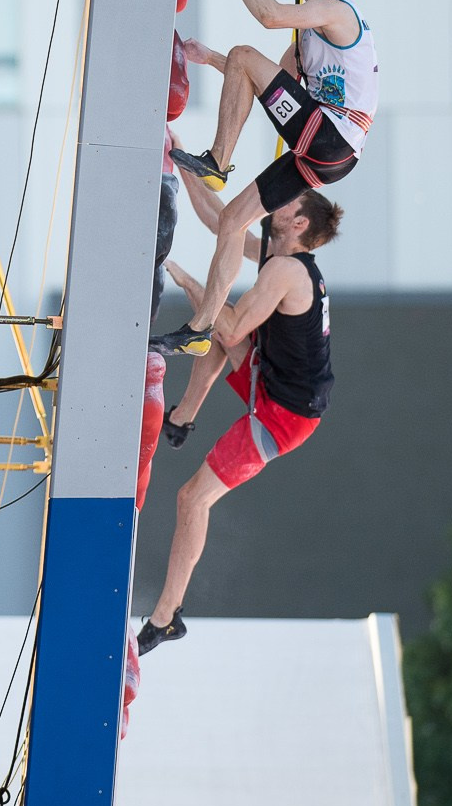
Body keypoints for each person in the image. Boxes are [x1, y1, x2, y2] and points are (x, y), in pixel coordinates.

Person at [134, 180, 343, 655]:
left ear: (299, 223)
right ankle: (182, 418)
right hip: (272, 380)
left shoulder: (288, 270)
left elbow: (228, 327)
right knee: (217, 322)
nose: (276, 203)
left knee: (192, 499)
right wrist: (185, 164)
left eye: (286, 203)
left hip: (285, 417)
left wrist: (177, 272)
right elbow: (221, 222)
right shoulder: (278, 254)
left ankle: (167, 617)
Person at [150, 0, 374, 357]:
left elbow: (269, 16)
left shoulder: (337, 11)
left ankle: (217, 162)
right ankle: (200, 329)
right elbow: (266, 84)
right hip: (327, 154)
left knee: (243, 52)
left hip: (331, 137)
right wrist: (208, 58)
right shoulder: (308, 38)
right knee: (232, 220)